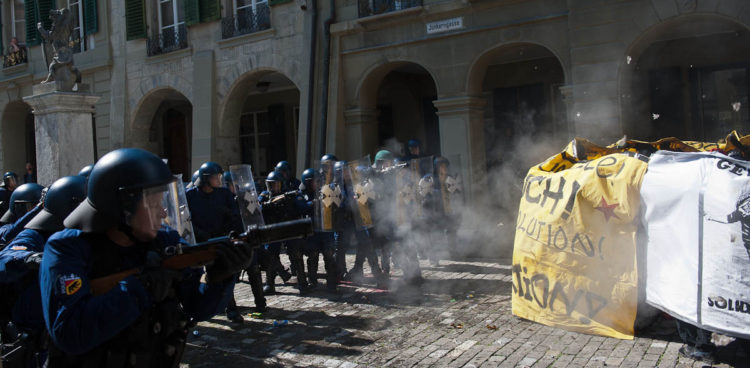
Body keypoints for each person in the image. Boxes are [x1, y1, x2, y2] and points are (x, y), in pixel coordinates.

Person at [39, 148, 249, 366]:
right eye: (154, 204)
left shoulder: (165, 240)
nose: (163, 212)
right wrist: (142, 287)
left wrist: (220, 278)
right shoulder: (67, 248)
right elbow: (70, 333)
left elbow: (198, 307)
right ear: (123, 206)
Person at [0, 176, 86, 368]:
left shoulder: (81, 238)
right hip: (33, 335)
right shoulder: (35, 234)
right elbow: (6, 257)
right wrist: (30, 258)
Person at [186, 161, 246, 323]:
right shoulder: (191, 195)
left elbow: (235, 214)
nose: (219, 180)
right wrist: (200, 233)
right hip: (201, 241)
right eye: (215, 177)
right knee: (197, 276)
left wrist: (229, 221)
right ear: (205, 178)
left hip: (221, 239)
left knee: (225, 272)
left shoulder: (224, 194)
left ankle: (231, 309)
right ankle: (198, 307)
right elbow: (186, 220)